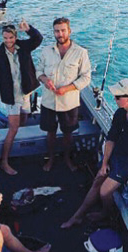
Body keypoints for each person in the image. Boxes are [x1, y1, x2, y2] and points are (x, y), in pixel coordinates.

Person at [61, 79, 128, 228]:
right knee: (97, 181)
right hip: (116, 155)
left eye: (117, 97)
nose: (114, 99)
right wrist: (104, 163)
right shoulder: (121, 113)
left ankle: (107, 214)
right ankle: (77, 216)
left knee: (104, 192)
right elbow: (111, 138)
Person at [36, 17, 91, 172]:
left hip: (69, 103)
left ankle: (67, 158)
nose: (60, 34)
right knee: (50, 132)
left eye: (62, 30)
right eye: (56, 31)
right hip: (48, 102)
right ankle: (51, 158)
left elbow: (86, 77)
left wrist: (67, 89)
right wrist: (44, 79)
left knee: (68, 134)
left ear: (69, 31)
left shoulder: (81, 52)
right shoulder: (46, 51)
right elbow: (38, 71)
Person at [0, 21, 43, 175]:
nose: (8, 41)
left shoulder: (24, 47)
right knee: (13, 128)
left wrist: (29, 29)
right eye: (5, 38)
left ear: (15, 36)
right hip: (12, 97)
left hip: (26, 92)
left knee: (24, 119)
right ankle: (4, 161)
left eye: (11, 38)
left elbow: (38, 39)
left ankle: (20, 146)